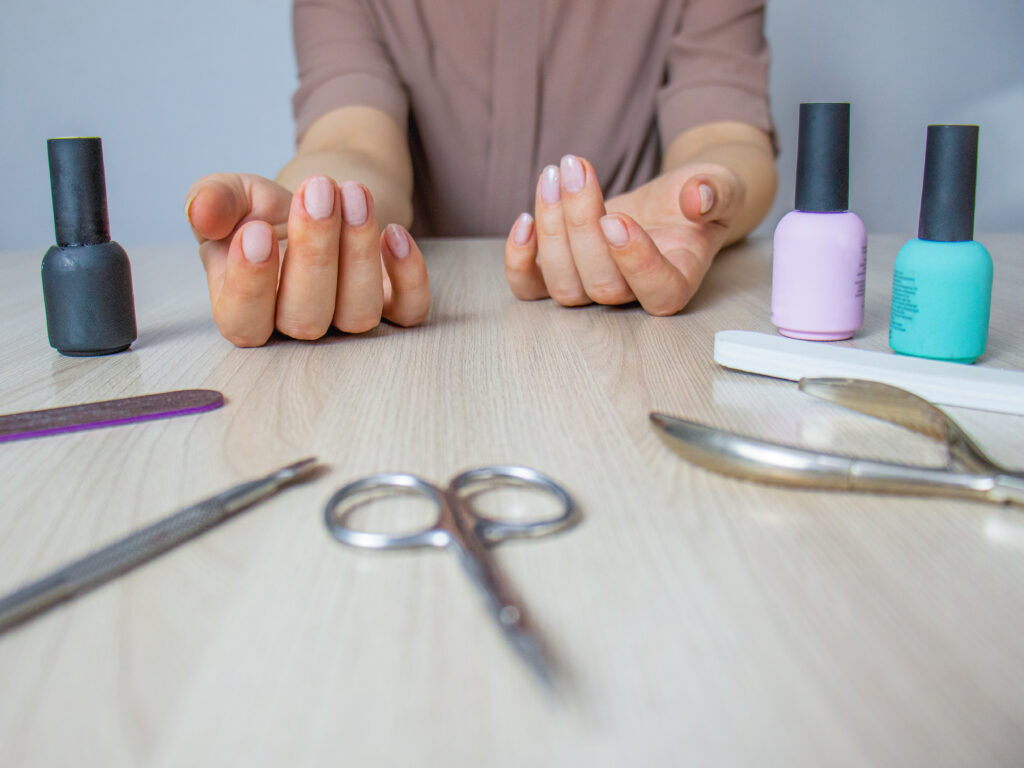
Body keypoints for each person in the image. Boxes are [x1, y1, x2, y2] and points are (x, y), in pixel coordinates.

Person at [185, 0, 778, 347]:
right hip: (420, 351)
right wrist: (321, 215)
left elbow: (726, 130)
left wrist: (704, 194)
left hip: (635, 339)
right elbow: (348, 136)